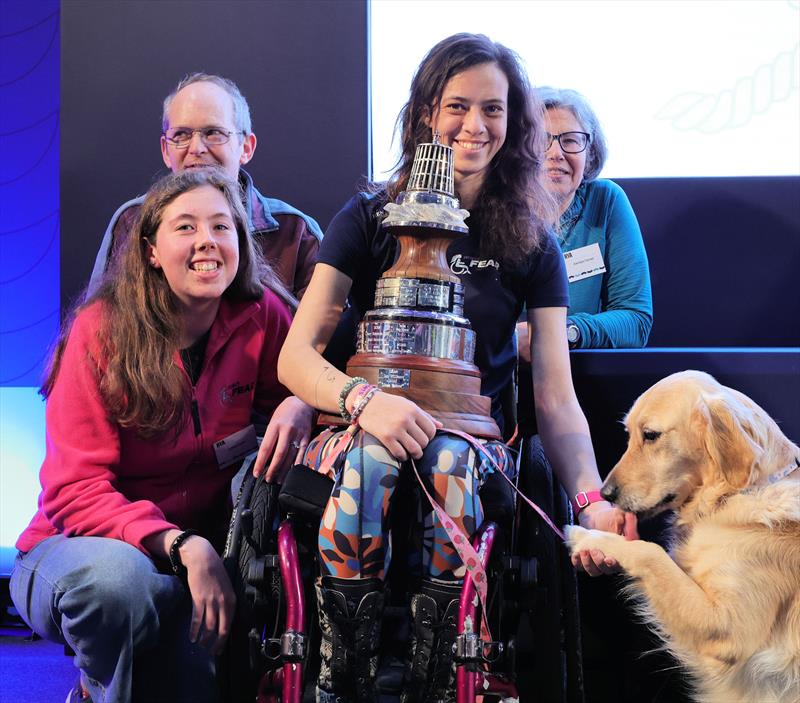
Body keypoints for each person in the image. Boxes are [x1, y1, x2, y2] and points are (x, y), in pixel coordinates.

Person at [277, 33, 636, 703]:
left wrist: (589, 500)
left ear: (513, 122)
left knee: (447, 459)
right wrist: (363, 402)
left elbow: (555, 398)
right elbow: (295, 354)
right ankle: (342, 676)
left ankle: (441, 674)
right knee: (373, 458)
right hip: (362, 427)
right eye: (457, 106)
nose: (476, 125)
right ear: (425, 114)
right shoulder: (368, 218)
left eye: (493, 109)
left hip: (473, 444)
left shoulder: (531, 240)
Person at [10, 169, 313, 703]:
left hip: (196, 560)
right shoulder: (101, 329)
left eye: (221, 226)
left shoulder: (261, 316)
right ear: (151, 251)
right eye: (186, 227)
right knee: (120, 588)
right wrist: (182, 545)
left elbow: (311, 387)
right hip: (82, 548)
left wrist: (301, 402)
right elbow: (72, 491)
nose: (207, 240)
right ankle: (94, 687)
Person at [88, 73, 322, 300]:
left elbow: (324, 324)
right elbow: (102, 318)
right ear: (166, 151)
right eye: (181, 135)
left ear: (246, 147)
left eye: (213, 133)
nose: (196, 148)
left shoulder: (296, 232)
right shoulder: (133, 221)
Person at [518, 87, 652, 355]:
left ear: (589, 154)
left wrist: (563, 332)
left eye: (570, 140)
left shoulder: (606, 201)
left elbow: (636, 320)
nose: (556, 153)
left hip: (579, 370)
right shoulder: (492, 207)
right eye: (541, 140)